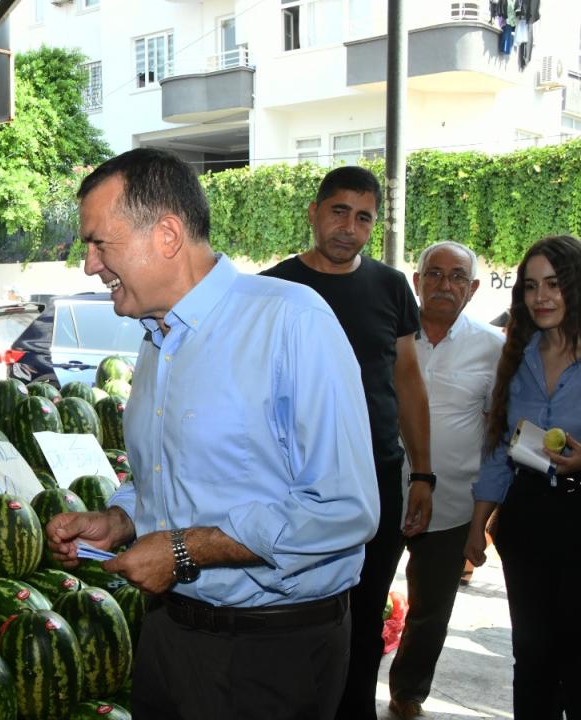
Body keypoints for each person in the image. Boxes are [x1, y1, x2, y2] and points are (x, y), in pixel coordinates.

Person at [46, 148, 379, 720]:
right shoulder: (157, 337)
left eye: (100, 244)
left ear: (168, 235)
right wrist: (123, 518)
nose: (90, 266)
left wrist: (182, 549)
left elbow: (344, 509)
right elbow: (177, 475)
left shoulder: (291, 321)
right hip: (170, 638)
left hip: (270, 654)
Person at [260, 166, 434, 720]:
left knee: (364, 614)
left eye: (363, 218)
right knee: (296, 611)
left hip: (377, 475)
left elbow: (406, 379)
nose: (349, 228)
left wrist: (423, 475)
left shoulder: (389, 286)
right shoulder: (272, 288)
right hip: (294, 482)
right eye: (339, 211)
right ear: (314, 212)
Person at [386, 241, 503, 718]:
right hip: (378, 496)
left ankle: (408, 692)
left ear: (473, 289)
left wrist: (486, 516)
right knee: (361, 595)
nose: (444, 284)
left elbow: (498, 431)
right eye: (433, 273)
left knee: (431, 610)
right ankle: (348, 688)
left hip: (453, 504)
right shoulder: (389, 336)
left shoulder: (494, 349)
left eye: (457, 277)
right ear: (416, 282)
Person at [467, 235, 581, 718]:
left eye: (554, 284)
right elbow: (499, 448)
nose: (542, 297)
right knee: (531, 654)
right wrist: (478, 525)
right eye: (531, 286)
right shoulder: (519, 355)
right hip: (529, 519)